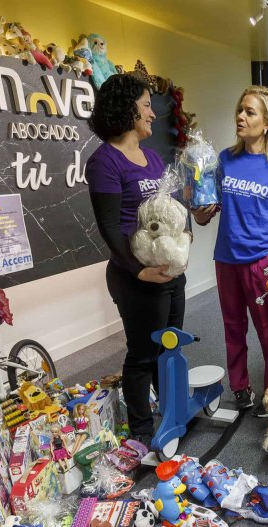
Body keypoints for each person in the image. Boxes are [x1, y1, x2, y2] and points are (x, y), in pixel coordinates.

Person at [85, 72, 188, 446]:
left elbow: (170, 209)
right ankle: (142, 432)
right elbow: (111, 227)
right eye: (146, 105)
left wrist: (185, 237)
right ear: (128, 109)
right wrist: (140, 270)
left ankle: (173, 414)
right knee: (143, 354)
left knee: (169, 345)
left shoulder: (152, 159)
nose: (152, 114)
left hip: (170, 273)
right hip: (136, 277)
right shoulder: (104, 162)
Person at [195, 86, 268, 415]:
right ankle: (240, 387)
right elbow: (208, 208)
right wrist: (200, 214)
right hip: (226, 259)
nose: (240, 117)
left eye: (250, 112)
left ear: (267, 122)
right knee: (232, 327)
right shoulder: (225, 160)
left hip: (261, 263)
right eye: (240, 110)